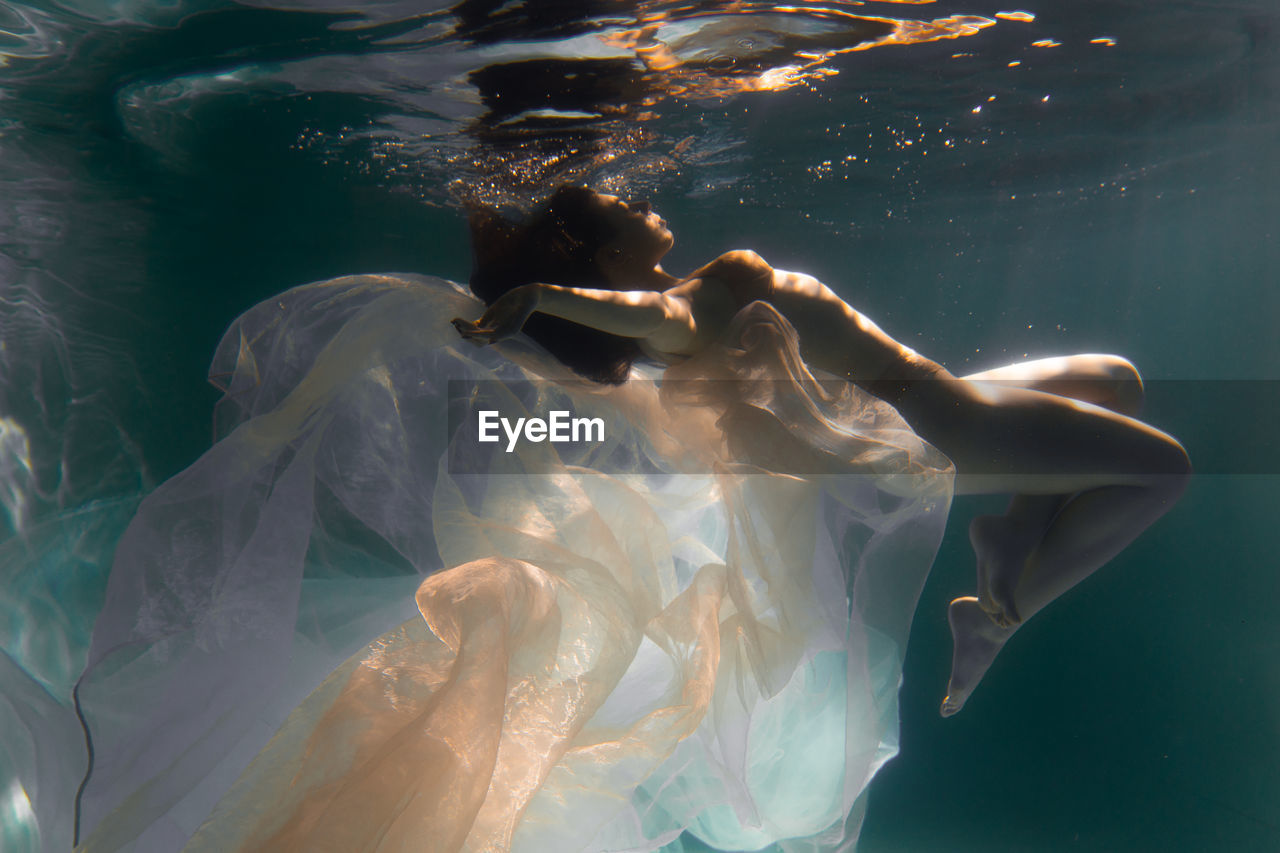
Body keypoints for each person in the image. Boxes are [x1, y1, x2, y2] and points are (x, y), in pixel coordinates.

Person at [453, 185, 1191, 717]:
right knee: (1163, 471)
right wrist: (545, 295)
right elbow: (651, 310)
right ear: (611, 251)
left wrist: (550, 294)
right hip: (948, 426)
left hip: (938, 401)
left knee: (1114, 382)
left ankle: (1015, 534)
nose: (637, 195)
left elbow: (653, 304)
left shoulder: (691, 296)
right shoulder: (681, 317)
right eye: (620, 205)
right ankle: (1000, 617)